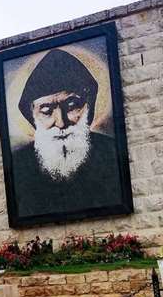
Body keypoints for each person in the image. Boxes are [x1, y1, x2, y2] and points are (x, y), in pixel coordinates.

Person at [12, 48, 125, 221]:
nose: (61, 122)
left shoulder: (111, 153)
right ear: (33, 116)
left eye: (71, 105)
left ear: (89, 106)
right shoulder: (18, 166)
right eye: (46, 111)